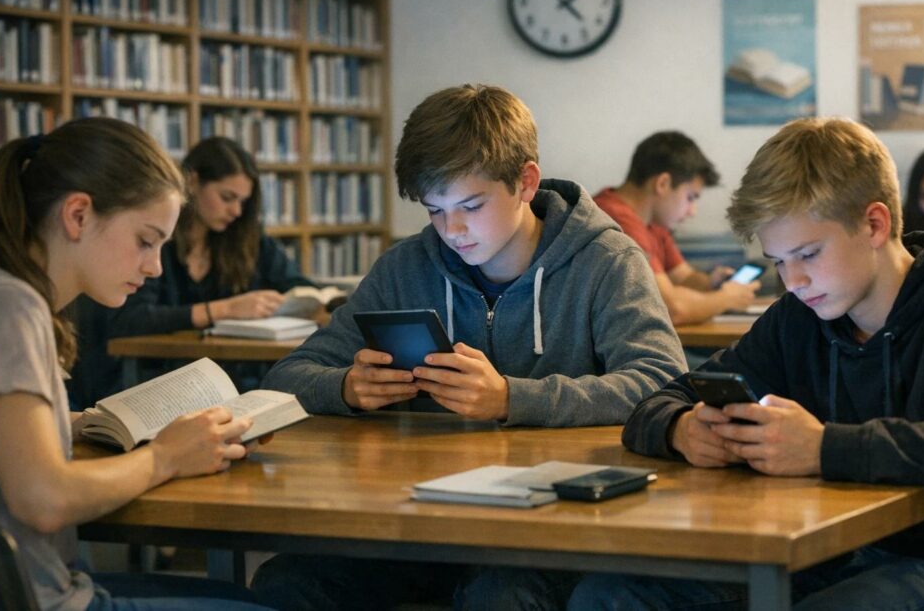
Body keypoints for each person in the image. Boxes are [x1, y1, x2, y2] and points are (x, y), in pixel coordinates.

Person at [251, 84, 687, 610]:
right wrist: (345, 386)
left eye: (471, 206)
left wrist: (511, 398)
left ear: (526, 181)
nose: (452, 230)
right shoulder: (406, 266)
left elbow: (661, 384)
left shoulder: (607, 261)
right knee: (288, 584)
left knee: (502, 597)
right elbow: (288, 374)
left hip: (554, 531)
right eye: (435, 210)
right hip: (417, 522)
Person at [567, 118, 924, 610]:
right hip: (829, 548)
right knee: (609, 596)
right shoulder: (799, 316)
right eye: (778, 261)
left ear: (874, 224)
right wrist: (680, 429)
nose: (792, 281)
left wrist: (824, 449)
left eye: (808, 254)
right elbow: (663, 398)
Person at [0, 118, 272, 610]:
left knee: (240, 595)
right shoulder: (10, 307)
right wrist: (165, 456)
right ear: (78, 214)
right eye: (145, 240)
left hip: (39, 586)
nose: (154, 266)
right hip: (42, 598)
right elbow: (43, 499)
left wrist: (89, 424)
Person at [92, 136, 324, 400]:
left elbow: (298, 285)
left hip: (237, 387)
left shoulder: (248, 240)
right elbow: (131, 319)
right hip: (159, 386)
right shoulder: (158, 241)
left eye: (243, 202)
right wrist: (225, 309)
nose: (236, 210)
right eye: (227, 197)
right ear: (192, 182)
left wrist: (315, 302)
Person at [594, 131, 759, 325]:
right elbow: (671, 309)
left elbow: (683, 276)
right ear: (663, 184)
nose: (692, 211)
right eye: (690, 198)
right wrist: (726, 298)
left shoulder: (652, 223)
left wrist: (712, 283)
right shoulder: (617, 223)